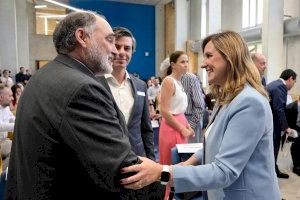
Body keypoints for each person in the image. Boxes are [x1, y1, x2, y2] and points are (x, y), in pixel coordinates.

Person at [119, 31, 281, 200]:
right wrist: (188, 163)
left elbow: (223, 171)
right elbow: (214, 143)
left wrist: (162, 172)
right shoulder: (227, 98)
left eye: (209, 56)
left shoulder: (249, 102)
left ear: (230, 57)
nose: (203, 64)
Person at [4, 11, 147, 199]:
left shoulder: (44, 75)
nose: (115, 50)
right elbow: (118, 169)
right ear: (82, 37)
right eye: (110, 40)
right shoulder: (82, 88)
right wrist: (166, 177)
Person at [97, 27, 164, 199]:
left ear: (132, 52)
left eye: (126, 48)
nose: (121, 53)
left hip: (137, 160)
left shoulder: (140, 85)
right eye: (117, 46)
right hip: (106, 162)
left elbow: (146, 128)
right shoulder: (93, 84)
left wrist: (151, 161)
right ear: (109, 48)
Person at [266, 68, 297, 179]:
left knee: (271, 149)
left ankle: (274, 170)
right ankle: (272, 174)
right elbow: (279, 108)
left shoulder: (273, 84)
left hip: (269, 123)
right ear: (290, 78)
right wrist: (286, 128)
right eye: (294, 81)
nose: (293, 84)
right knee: (273, 148)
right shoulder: (280, 87)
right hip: (272, 125)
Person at [181, 72, 205, 143]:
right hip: (177, 121)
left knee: (190, 152)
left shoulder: (191, 78)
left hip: (190, 119)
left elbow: (200, 106)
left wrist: (191, 126)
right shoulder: (171, 79)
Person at [0, 85, 14, 170]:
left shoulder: (6, 108)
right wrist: (17, 126)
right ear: (1, 97)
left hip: (4, 141)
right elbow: (1, 126)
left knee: (20, 147)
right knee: (16, 150)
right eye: (10, 96)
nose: (12, 98)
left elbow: (13, 119)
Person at [285, 96, 300, 176]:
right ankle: (296, 166)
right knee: (296, 145)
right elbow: (286, 122)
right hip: (293, 128)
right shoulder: (290, 107)